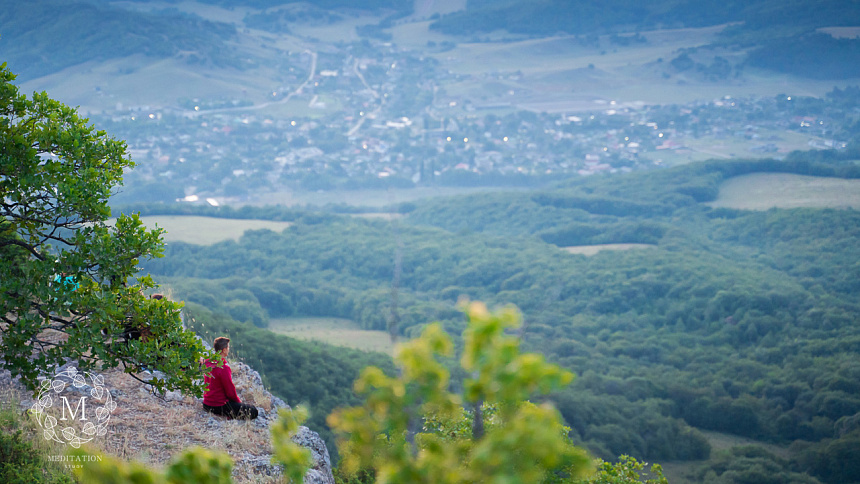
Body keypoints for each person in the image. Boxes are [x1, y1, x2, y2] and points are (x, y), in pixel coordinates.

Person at [202, 337, 258, 420]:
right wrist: (238, 402)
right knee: (253, 411)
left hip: (206, 404)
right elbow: (230, 392)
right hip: (218, 406)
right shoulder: (223, 368)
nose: (229, 349)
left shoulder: (207, 362)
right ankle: (231, 416)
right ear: (224, 350)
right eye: (228, 348)